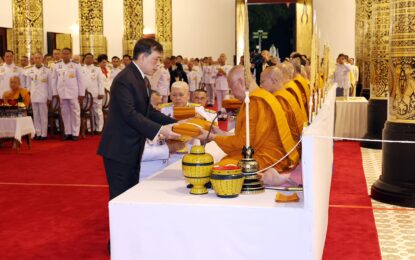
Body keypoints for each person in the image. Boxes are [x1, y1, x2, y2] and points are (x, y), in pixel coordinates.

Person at [97, 38, 180, 201]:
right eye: (155, 59)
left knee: (131, 194)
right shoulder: (125, 79)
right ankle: (120, 227)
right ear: (142, 57)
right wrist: (161, 130)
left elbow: (147, 111)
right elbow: (130, 114)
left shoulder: (142, 79)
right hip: (119, 148)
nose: (158, 64)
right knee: (121, 196)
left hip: (133, 146)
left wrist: (174, 123)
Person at [201, 65, 299, 174]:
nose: (232, 94)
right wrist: (220, 134)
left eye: (232, 88)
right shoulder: (261, 96)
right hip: (264, 152)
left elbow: (244, 144)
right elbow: (246, 138)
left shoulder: (256, 102)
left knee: (220, 170)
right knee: (224, 162)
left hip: (269, 159)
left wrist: (213, 137)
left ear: (241, 82)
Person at [260, 66, 306, 146]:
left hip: (289, 147)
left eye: (262, 82)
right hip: (296, 141)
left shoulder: (279, 99)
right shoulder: (286, 94)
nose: (261, 86)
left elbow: (272, 130)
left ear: (274, 81)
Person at [52, 47, 85, 141]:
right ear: (61, 55)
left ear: (70, 55)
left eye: (67, 53)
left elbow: (80, 80)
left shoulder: (75, 65)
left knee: (75, 112)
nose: (65, 55)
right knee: (65, 112)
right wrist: (55, 92)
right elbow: (54, 79)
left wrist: (81, 93)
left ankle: (75, 133)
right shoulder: (57, 65)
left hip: (73, 92)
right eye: (63, 53)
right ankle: (67, 132)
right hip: (62, 92)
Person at [25, 53, 52, 140]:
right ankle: (37, 132)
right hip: (34, 95)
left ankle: (43, 134)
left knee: (43, 115)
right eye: (35, 58)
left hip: (43, 95)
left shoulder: (47, 70)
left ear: (42, 59)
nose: (37, 60)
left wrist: (49, 97)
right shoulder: (29, 70)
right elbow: (28, 85)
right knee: (35, 115)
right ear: (33, 59)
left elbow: (50, 85)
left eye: (39, 58)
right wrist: (28, 96)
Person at [82, 53, 104, 134]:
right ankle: (89, 128)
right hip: (84, 94)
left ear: (92, 59)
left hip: (96, 93)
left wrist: (101, 92)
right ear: (84, 59)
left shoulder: (97, 69)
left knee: (97, 111)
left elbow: (101, 82)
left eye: (90, 58)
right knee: (87, 111)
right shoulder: (81, 68)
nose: (88, 59)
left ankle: (99, 128)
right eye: (87, 57)